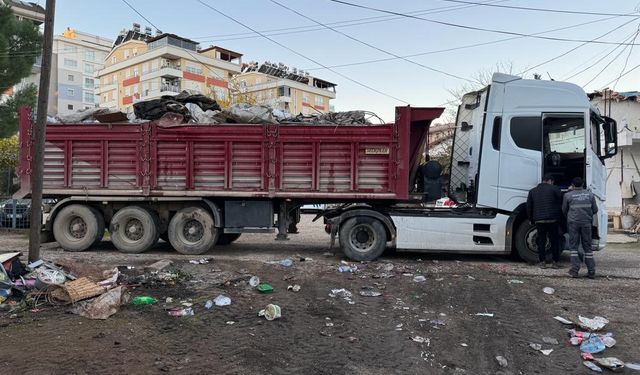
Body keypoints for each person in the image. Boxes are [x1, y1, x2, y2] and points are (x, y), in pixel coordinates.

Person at [562, 177, 598, 279]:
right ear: (583, 184)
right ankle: (591, 271)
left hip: (573, 223)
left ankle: (574, 271)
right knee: (587, 247)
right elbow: (595, 210)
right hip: (586, 223)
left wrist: (570, 216)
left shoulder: (567, 195)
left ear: (572, 185)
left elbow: (564, 210)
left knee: (574, 247)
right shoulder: (590, 195)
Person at [526, 173, 563, 268]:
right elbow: (561, 202)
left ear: (543, 180)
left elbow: (529, 207)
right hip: (552, 220)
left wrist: (531, 219)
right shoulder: (555, 189)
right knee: (554, 241)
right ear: (550, 181)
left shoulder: (533, 191)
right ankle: (555, 262)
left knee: (541, 241)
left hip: (539, 220)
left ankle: (542, 262)